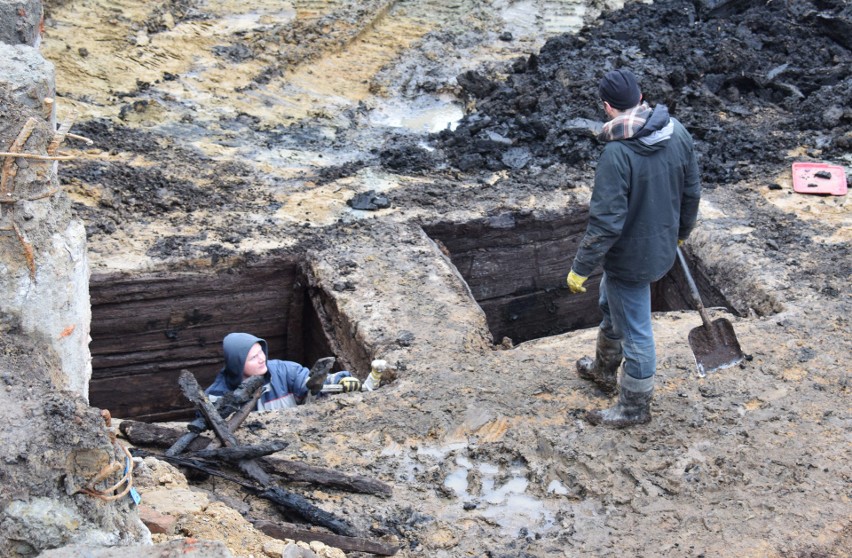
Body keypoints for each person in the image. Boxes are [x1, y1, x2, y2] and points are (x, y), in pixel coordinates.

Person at [566, 68, 701, 428]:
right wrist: (681, 233)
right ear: (641, 97)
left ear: (607, 107)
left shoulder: (617, 154)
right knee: (612, 306)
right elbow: (692, 192)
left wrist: (581, 266)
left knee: (638, 333)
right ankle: (603, 370)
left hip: (630, 260)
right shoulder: (678, 132)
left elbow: (606, 222)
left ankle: (634, 408)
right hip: (660, 248)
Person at [205, 332, 363, 412]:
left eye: (261, 352)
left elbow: (310, 382)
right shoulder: (216, 395)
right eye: (253, 357)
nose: (262, 359)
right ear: (237, 364)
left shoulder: (283, 371)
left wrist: (339, 381)